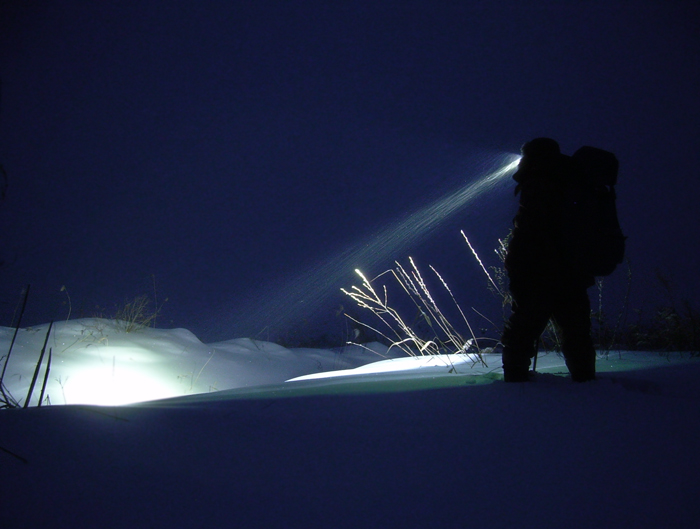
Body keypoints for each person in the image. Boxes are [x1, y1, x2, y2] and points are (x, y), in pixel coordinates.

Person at [501, 138, 596, 382]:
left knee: (523, 329)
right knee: (576, 329)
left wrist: (516, 266)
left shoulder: (538, 181)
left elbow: (529, 230)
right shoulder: (576, 178)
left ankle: (516, 385)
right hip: (573, 269)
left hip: (538, 270)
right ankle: (586, 382)